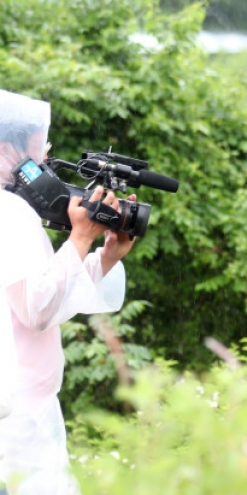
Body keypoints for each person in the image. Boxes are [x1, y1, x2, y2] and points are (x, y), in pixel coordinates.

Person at [0, 90, 136, 494]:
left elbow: (40, 294)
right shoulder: (12, 214)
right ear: (11, 148)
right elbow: (37, 309)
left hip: (23, 412)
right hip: (19, 418)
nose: (44, 160)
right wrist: (79, 238)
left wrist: (103, 257)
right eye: (40, 148)